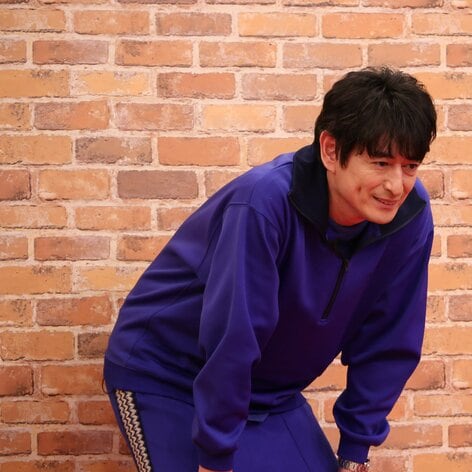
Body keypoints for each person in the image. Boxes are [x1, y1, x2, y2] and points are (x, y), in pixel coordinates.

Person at [103, 66, 437, 472]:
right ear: (331, 151)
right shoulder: (264, 203)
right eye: (381, 163)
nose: (396, 185)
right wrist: (215, 456)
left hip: (270, 393)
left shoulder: (408, 216)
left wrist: (355, 451)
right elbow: (234, 334)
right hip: (167, 375)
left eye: (410, 166)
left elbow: (390, 339)